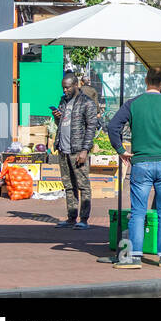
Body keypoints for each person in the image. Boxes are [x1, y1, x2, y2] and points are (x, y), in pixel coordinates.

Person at [107, 67, 161, 268]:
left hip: (141, 163)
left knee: (138, 212)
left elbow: (113, 126)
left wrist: (120, 149)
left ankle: (134, 256)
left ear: (145, 80)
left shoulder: (133, 104)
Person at [52, 71, 99, 230]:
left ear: (76, 85)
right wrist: (57, 116)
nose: (65, 91)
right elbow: (61, 123)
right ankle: (71, 217)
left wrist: (85, 150)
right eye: (63, 88)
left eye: (67, 88)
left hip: (78, 150)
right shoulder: (63, 101)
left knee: (83, 184)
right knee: (68, 185)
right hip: (63, 149)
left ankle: (84, 219)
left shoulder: (87, 103)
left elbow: (92, 127)